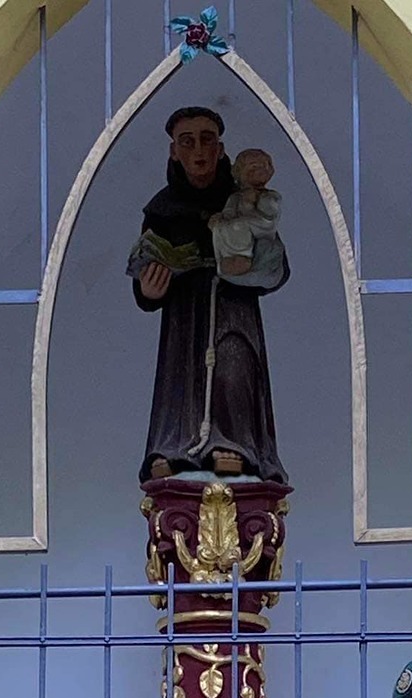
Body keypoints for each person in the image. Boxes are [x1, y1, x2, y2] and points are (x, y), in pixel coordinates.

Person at [129, 107, 288, 484]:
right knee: (181, 375)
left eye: (206, 139)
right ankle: (173, 447)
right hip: (185, 310)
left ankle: (235, 443)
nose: (198, 150)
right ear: (174, 152)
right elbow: (146, 268)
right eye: (187, 142)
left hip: (233, 304)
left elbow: (275, 264)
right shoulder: (162, 209)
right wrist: (149, 289)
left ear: (220, 149)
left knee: (233, 364)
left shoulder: (243, 200)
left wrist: (246, 266)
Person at [208, 147, 283, 286]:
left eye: (262, 166)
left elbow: (268, 219)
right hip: (240, 225)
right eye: (253, 167)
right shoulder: (235, 197)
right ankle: (228, 258)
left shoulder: (269, 196)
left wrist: (250, 204)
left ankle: (243, 257)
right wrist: (220, 219)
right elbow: (229, 211)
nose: (259, 170)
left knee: (239, 226)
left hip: (260, 224)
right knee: (221, 227)